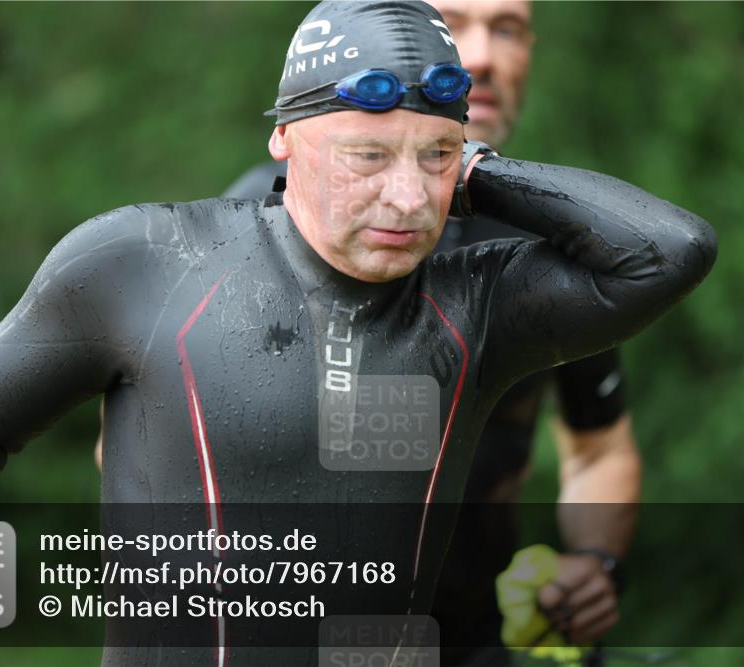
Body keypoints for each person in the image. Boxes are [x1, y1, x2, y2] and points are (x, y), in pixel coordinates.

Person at [0, 2, 716, 666]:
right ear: (284, 137)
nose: (405, 200)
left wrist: (475, 169)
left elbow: (671, 251)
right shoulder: (145, 261)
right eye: (367, 156)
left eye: (436, 159)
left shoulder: (481, 304)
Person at [223, 2, 639, 662]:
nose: (481, 57)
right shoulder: (259, 214)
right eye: (452, 23)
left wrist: (593, 561)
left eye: (506, 28)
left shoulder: (544, 237)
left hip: (475, 642)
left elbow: (599, 448)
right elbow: (142, 438)